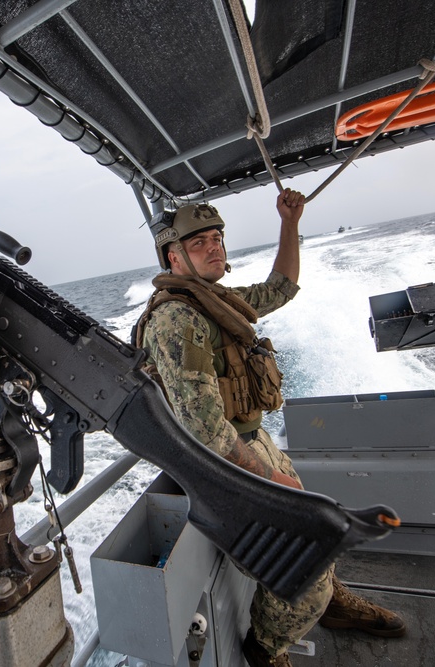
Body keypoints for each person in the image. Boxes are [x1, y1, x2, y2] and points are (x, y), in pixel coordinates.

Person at [133, 190, 405, 667]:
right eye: (199, 243)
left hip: (251, 442)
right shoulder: (177, 319)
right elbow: (206, 432)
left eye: (217, 238)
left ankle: (332, 605)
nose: (215, 247)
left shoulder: (218, 300)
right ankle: (266, 650)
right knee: (303, 564)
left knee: (321, 530)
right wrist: (269, 479)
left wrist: (289, 222)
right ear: (174, 257)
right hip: (222, 466)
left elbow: (280, 287)